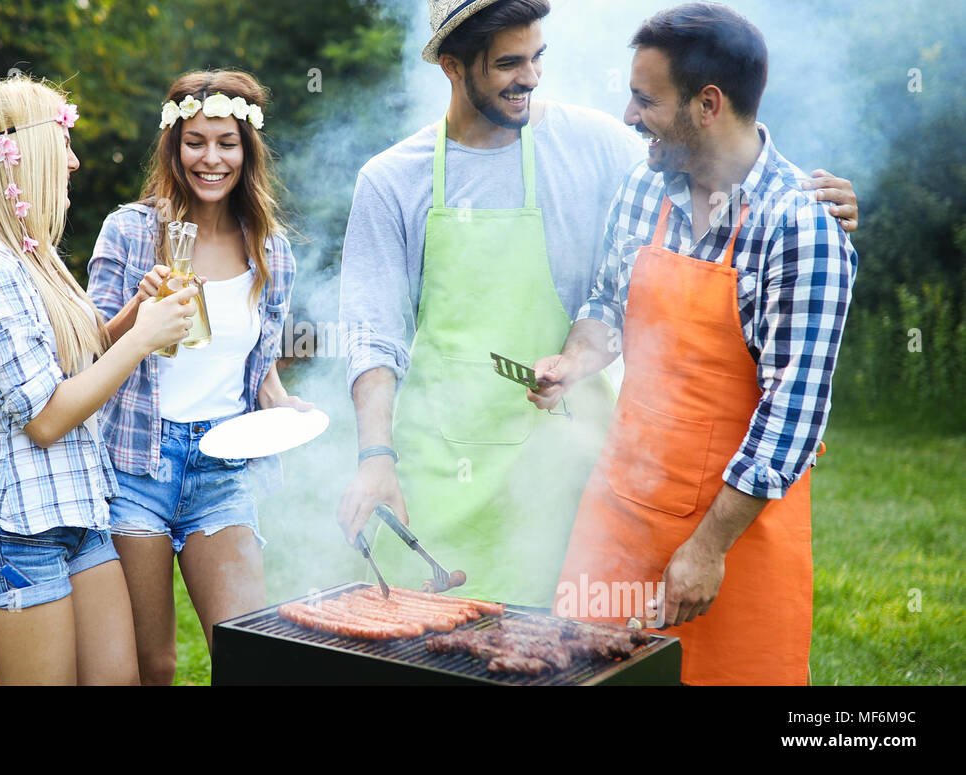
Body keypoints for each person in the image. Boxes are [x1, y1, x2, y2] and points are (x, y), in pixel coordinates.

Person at [335, 0, 859, 607]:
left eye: (537, 57)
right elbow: (373, 334)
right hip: (439, 473)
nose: (530, 77)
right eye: (509, 63)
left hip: (568, 475)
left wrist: (809, 197)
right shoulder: (392, 179)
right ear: (453, 67)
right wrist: (375, 456)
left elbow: (711, 144)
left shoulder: (597, 146)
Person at [531, 3, 858, 685]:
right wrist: (576, 357)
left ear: (708, 104)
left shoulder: (801, 230)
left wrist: (707, 548)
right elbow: (607, 304)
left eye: (645, 99)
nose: (626, 115)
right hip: (618, 518)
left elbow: (791, 416)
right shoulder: (643, 186)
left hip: (733, 540)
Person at [0, 76, 199, 685]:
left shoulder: (35, 254)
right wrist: (143, 340)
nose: (75, 159)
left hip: (80, 514)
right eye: (64, 143)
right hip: (18, 531)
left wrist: (133, 316)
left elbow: (73, 367)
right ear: (23, 152)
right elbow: (48, 417)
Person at [88, 70, 308, 685]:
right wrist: (140, 309)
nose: (211, 158)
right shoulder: (130, 230)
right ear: (173, 146)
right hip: (136, 464)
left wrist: (282, 404)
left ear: (248, 149)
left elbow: (256, 365)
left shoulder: (271, 250)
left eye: (227, 142)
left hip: (223, 466)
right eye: (195, 141)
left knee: (247, 656)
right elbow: (86, 352)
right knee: (152, 664)